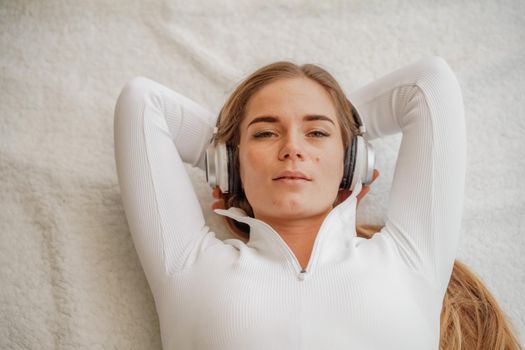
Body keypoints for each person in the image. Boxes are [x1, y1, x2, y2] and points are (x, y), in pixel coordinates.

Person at [113, 57, 521, 349]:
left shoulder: (410, 261)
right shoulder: (188, 269)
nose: (292, 148)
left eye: (318, 134)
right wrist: (225, 158)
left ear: (351, 162)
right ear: (229, 165)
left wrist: (347, 139)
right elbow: (143, 102)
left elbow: (429, 83)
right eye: (265, 134)